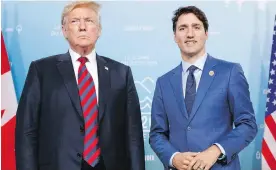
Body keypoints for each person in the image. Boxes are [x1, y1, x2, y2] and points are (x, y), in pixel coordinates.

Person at [15, 1, 145, 170]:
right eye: (75, 21)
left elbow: (133, 135)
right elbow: (27, 131)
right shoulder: (41, 71)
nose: (82, 27)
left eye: (89, 21)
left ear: (99, 30)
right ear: (64, 30)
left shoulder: (121, 73)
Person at [149, 6, 257, 170]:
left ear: (206, 34)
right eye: (182, 28)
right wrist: (173, 157)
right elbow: (157, 134)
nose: (190, 34)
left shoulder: (230, 72)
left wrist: (216, 150)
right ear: (175, 37)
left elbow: (248, 124)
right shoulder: (163, 83)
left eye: (196, 27)